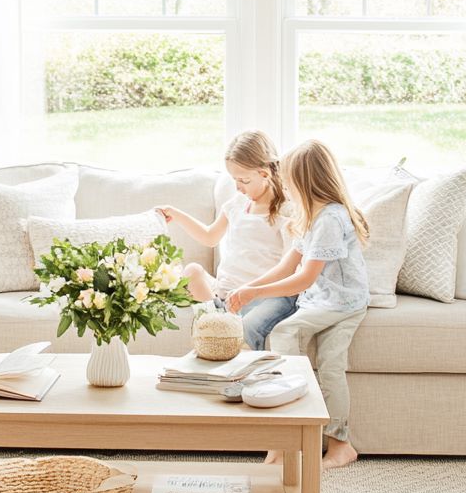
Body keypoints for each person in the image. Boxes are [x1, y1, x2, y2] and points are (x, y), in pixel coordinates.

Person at [227, 140, 370, 469]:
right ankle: (322, 444)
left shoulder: (331, 219)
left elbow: (303, 278)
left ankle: (296, 437)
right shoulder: (309, 216)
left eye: (289, 182)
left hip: (343, 303)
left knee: (284, 332)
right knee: (332, 368)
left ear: (306, 183)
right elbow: (286, 267)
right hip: (324, 301)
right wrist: (249, 287)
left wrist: (254, 295)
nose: (285, 189)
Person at [155, 130, 296, 350]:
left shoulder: (286, 211)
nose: (238, 187)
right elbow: (210, 237)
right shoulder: (237, 204)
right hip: (225, 295)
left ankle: (223, 334)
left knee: (248, 327)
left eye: (244, 180)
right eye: (234, 180)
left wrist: (249, 289)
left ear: (265, 174)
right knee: (192, 271)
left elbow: (288, 268)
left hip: (264, 295)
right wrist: (177, 214)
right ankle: (217, 326)